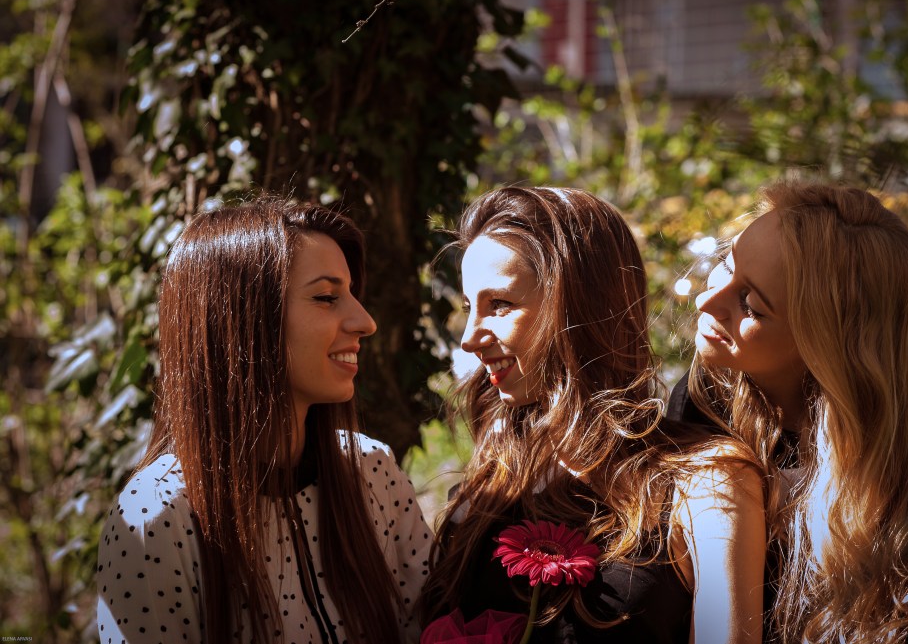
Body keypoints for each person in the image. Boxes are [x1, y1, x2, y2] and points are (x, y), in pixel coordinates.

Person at [420, 186, 766, 644]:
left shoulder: (707, 484)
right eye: (469, 308)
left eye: (499, 304)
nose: (469, 337)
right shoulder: (492, 478)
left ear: (582, 306)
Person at [96, 199, 432, 644]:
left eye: (352, 294)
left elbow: (436, 629)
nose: (365, 322)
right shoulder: (154, 516)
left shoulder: (373, 471)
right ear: (241, 319)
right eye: (326, 297)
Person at [670, 179, 908, 643]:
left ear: (829, 346)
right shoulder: (704, 400)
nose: (705, 301)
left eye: (751, 305)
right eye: (726, 265)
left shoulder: (894, 514)